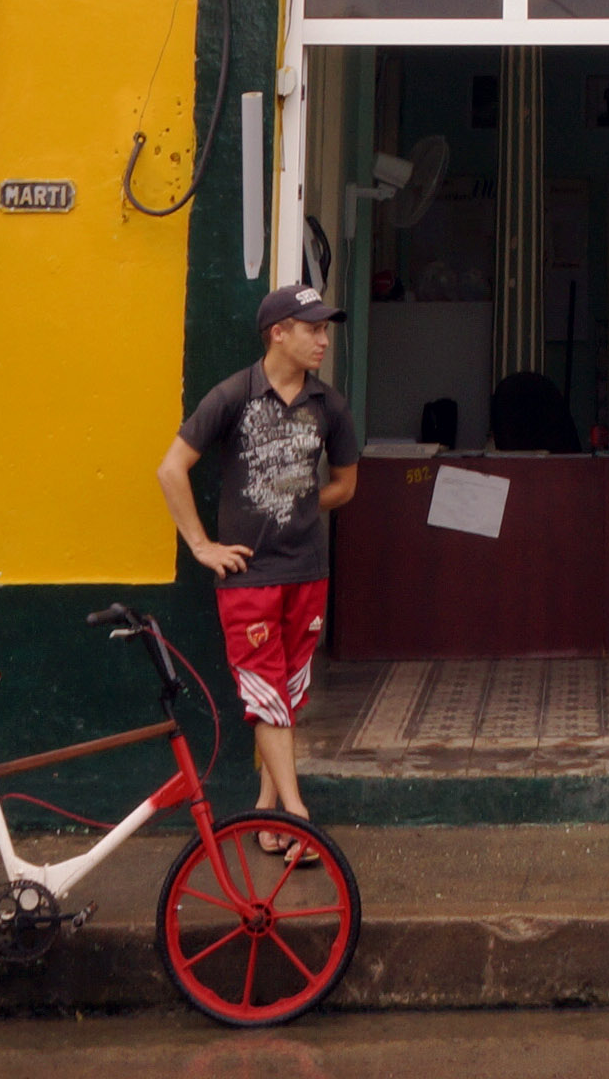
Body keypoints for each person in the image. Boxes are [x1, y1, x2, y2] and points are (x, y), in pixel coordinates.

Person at [157, 283, 363, 825]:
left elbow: (345, 485)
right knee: (266, 696)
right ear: (278, 333)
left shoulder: (328, 405)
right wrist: (202, 545)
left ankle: (268, 809)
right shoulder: (232, 396)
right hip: (249, 576)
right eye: (312, 329)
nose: (323, 340)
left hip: (307, 571)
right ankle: (296, 816)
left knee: (289, 695)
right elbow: (170, 468)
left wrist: (298, 502)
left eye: (325, 330)